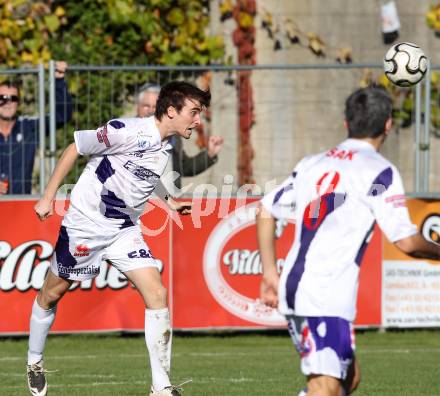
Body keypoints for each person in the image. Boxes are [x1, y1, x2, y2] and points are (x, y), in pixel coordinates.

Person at [26, 81, 211, 396]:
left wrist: (168, 202)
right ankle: (34, 361)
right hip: (85, 226)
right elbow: (76, 147)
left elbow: (139, 180)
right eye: (193, 112)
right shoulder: (128, 131)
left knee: (157, 293)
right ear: (171, 111)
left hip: (124, 230)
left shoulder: (165, 148)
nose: (197, 120)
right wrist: (48, 196)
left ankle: (161, 386)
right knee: (50, 295)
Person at [256, 86, 440, 396]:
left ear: (346, 123)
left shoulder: (312, 163)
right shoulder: (379, 172)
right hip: (324, 294)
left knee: (347, 380)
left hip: (300, 285)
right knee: (325, 388)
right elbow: (406, 241)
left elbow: (265, 208)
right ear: (388, 125)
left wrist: (269, 271)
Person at [0, 61, 72, 194]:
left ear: (19, 103)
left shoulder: (29, 128)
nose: (7, 103)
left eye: (13, 98)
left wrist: (59, 81)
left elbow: (62, 116)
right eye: (2, 98)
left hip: (19, 205)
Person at [136, 82, 223, 189]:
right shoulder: (125, 134)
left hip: (168, 202)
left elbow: (183, 167)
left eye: (155, 106)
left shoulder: (172, 135)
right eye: (146, 106)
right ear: (138, 107)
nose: (150, 110)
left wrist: (209, 154)